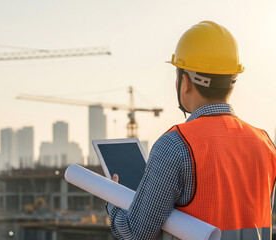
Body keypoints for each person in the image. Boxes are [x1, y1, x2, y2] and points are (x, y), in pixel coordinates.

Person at [106, 21, 276, 240]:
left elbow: (135, 234)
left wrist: (113, 201)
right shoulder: (265, 144)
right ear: (232, 82)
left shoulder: (175, 144)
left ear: (184, 82)